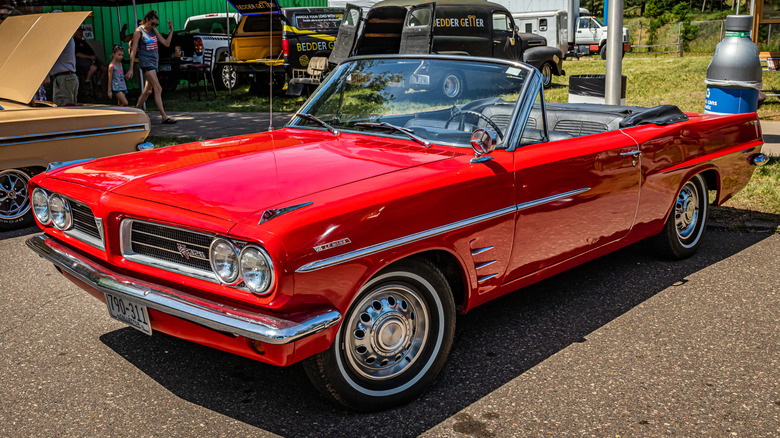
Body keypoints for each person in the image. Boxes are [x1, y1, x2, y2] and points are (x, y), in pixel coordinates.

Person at [126, 10, 176, 124]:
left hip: (154, 62)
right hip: (146, 62)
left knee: (148, 91)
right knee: (158, 88)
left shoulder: (153, 30)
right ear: (147, 19)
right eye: (153, 23)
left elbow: (166, 43)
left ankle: (136, 112)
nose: (154, 26)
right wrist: (130, 69)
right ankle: (164, 117)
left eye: (156, 24)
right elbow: (133, 50)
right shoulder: (139, 31)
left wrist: (171, 30)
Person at [49, 28, 79, 106]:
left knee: (65, 107)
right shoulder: (67, 38)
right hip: (66, 77)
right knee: (68, 105)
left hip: (64, 78)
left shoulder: (64, 39)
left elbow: (49, 53)